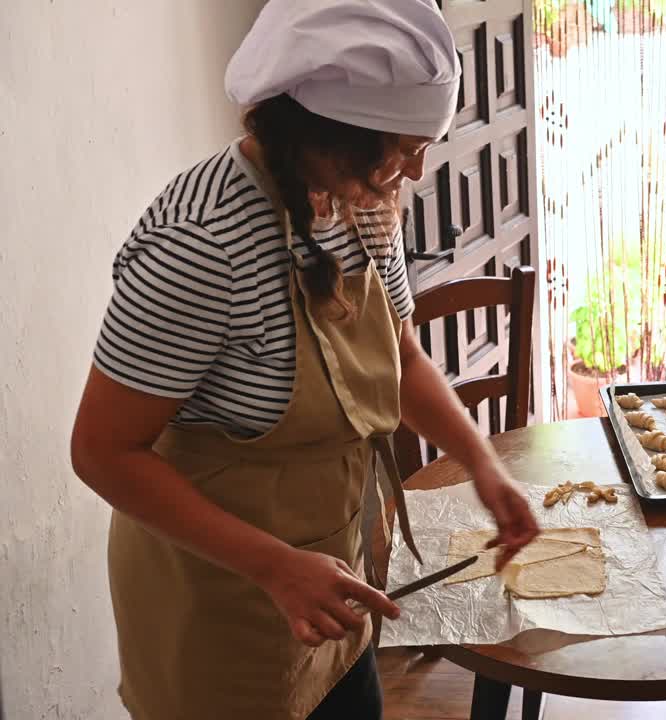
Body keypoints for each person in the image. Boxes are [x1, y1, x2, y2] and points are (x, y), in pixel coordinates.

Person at [68, 2, 538, 718]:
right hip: (216, 606)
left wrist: (483, 464)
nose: (417, 168)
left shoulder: (364, 202)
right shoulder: (200, 248)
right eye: (401, 146)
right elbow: (103, 452)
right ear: (324, 136)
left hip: (331, 585)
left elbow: (401, 356)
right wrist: (275, 567)